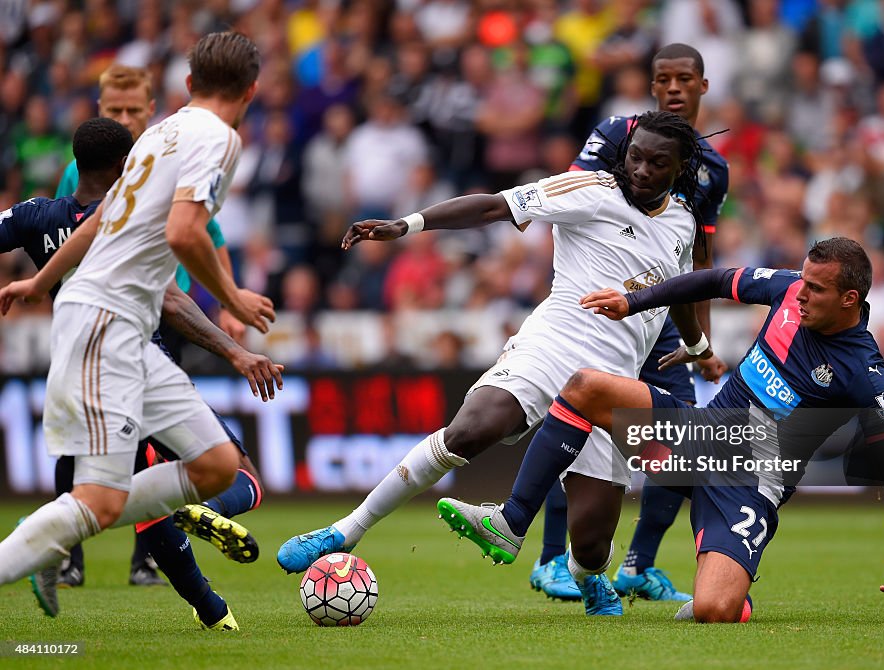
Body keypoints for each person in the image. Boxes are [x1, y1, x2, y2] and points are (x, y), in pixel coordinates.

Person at [277, 111, 709, 588]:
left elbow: (681, 288)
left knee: (589, 544)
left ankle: (590, 580)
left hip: (613, 383)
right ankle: (346, 530)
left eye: (657, 163)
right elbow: (492, 207)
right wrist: (407, 224)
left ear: (681, 167)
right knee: (471, 429)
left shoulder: (683, 221)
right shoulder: (591, 190)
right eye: (635, 157)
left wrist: (697, 345)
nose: (642, 170)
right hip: (552, 347)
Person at [442, 238, 884, 620]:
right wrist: (632, 302)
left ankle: (726, 591)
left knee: (713, 611)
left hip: (748, 483)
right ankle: (512, 522)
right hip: (695, 438)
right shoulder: (788, 289)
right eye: (802, 282)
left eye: (816, 289)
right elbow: (712, 280)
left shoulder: (866, 372)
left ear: (850, 299)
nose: (800, 294)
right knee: (585, 387)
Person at [0, 32, 273, 620]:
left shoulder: (159, 133)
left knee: (218, 465)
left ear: (188, 84)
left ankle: (51, 530)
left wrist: (40, 278)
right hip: (106, 324)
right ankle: (44, 538)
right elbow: (183, 233)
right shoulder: (220, 140)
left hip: (124, 325)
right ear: (251, 90)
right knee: (99, 501)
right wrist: (234, 296)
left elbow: (99, 218)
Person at [528, 42, 729, 603]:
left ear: (702, 86)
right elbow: (570, 202)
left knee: (678, 436)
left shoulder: (713, 169)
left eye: (684, 78)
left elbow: (699, 266)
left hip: (661, 317)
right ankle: (551, 561)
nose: (673, 88)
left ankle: (638, 563)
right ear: (651, 83)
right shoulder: (618, 132)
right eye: (663, 78)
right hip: (601, 307)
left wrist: (702, 342)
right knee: (584, 422)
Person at [53, 63, 248, 589]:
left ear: (148, 108)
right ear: (99, 110)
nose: (122, 117)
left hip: (166, 313)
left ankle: (147, 557)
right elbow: (68, 226)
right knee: (86, 441)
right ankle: (67, 551)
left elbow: (211, 231)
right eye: (112, 110)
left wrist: (228, 301)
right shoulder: (86, 167)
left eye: (131, 110)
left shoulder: (168, 150)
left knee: (152, 446)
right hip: (112, 313)